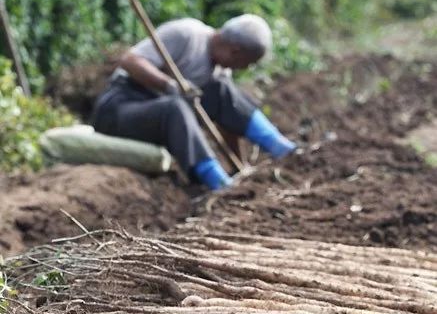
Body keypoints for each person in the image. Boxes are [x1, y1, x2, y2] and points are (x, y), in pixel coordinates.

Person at [92, 14, 297, 190]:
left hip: (161, 118)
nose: (244, 69)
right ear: (235, 51)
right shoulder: (186, 35)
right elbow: (129, 61)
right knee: (175, 106)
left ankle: (281, 148)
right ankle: (215, 181)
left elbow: (227, 119)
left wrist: (238, 166)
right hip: (120, 108)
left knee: (221, 89)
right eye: (248, 63)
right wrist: (169, 85)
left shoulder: (220, 69)